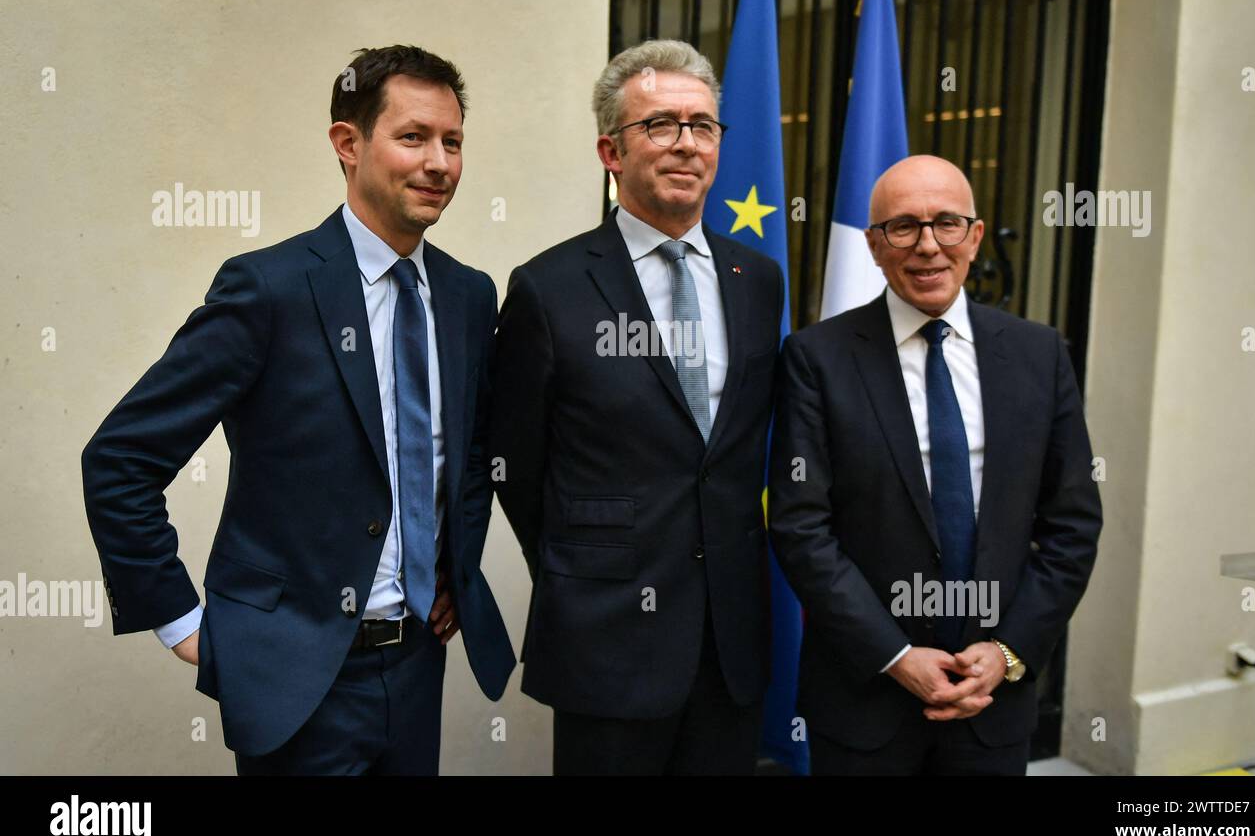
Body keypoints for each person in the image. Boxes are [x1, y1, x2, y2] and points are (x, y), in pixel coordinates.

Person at [81, 45, 515, 775]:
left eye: (453, 141)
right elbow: (120, 460)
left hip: (416, 668)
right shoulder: (268, 290)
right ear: (349, 144)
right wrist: (182, 621)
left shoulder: (469, 296)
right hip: (298, 681)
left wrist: (453, 567)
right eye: (413, 137)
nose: (439, 163)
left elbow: (466, 455)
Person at [489, 39, 784, 775]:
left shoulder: (759, 278)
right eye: (660, 125)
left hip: (730, 639)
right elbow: (513, 464)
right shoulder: (548, 288)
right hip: (606, 636)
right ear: (609, 152)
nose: (686, 144)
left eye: (702, 126)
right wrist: (583, 563)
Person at [769, 154, 1101, 775]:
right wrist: (895, 655)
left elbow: (1073, 524)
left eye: (947, 223)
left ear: (975, 237)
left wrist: (1007, 652)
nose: (928, 246)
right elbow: (800, 526)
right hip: (863, 699)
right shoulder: (817, 359)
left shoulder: (1039, 355)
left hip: (993, 702)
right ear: (873, 245)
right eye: (903, 227)